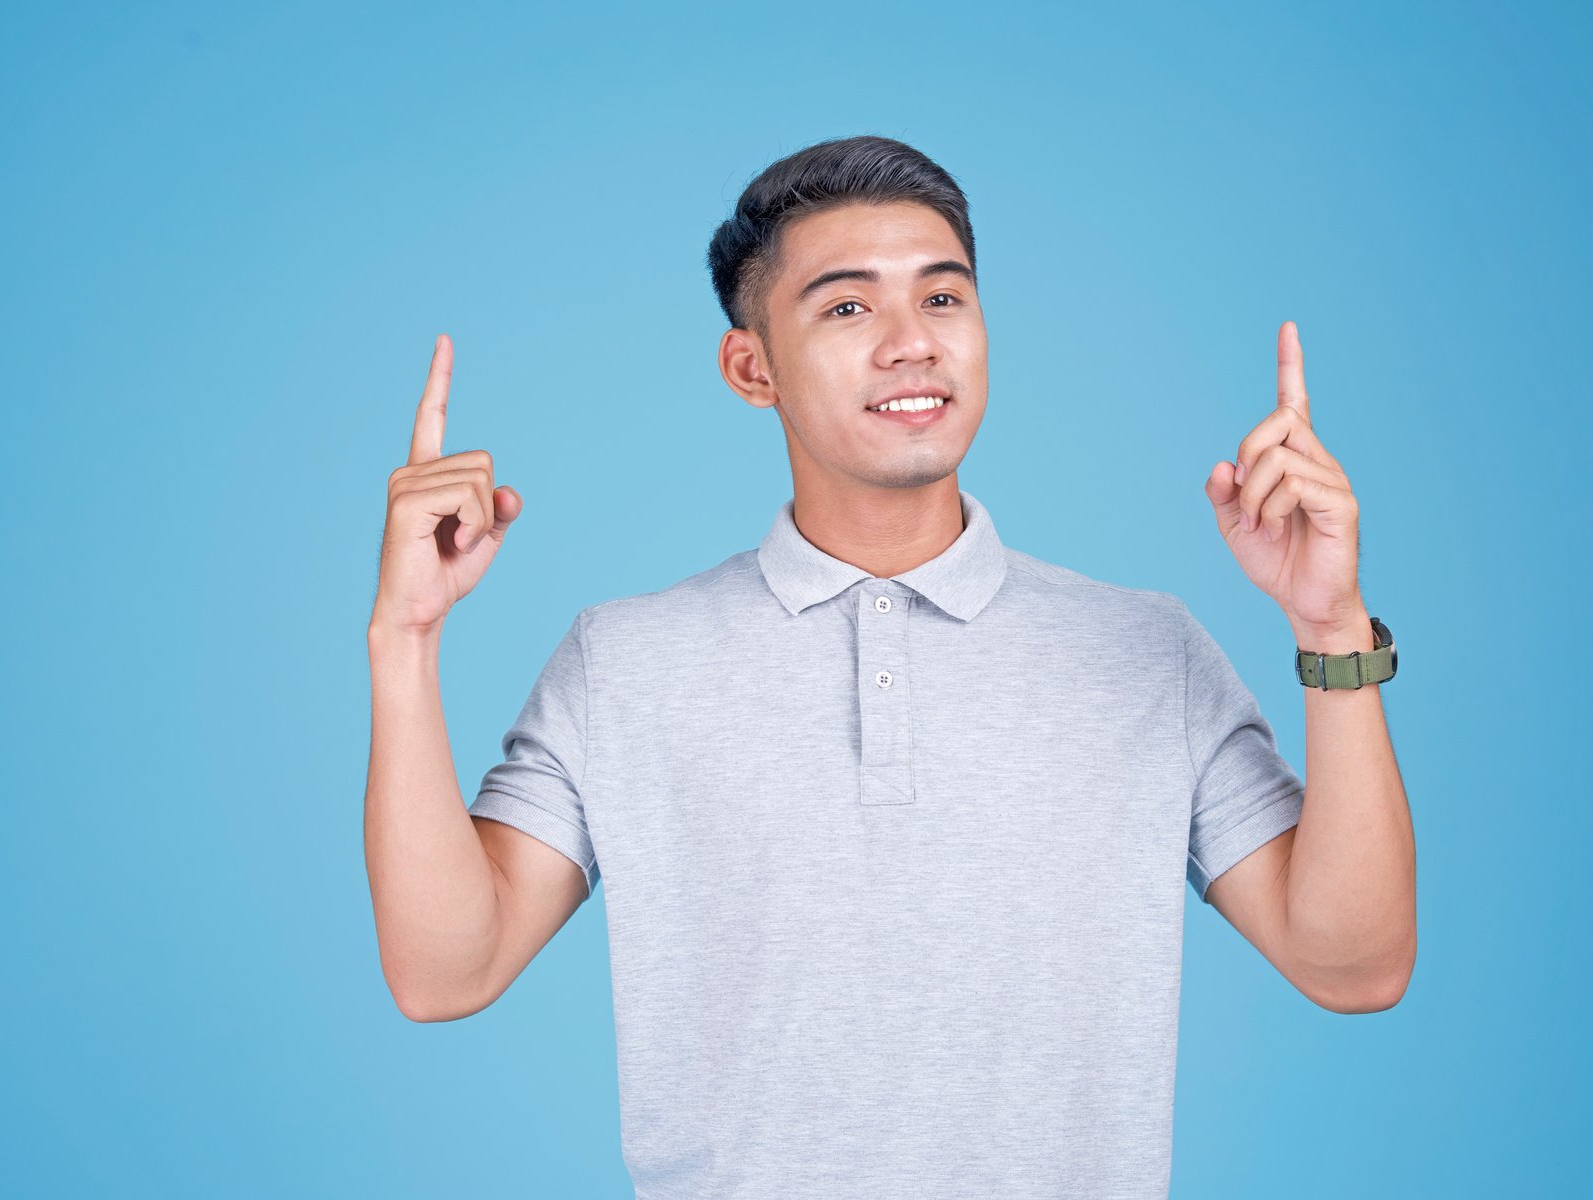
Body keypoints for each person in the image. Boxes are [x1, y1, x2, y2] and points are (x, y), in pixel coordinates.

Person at [362, 134, 1416, 1199]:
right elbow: (448, 971)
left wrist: (1332, 630)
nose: (912, 342)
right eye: (848, 307)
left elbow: (1355, 964)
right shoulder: (624, 663)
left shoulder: (1150, 651)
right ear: (751, 368)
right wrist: (402, 643)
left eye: (944, 299)